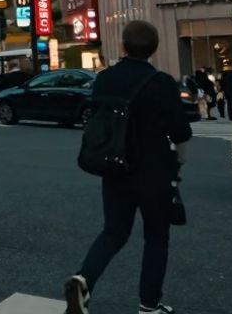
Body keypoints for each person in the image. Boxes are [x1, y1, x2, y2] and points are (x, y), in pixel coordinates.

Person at [65, 20, 191, 314]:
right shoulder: (161, 82)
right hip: (155, 171)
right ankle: (149, 305)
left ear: (123, 46)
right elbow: (181, 133)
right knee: (156, 237)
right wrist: (180, 160)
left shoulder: (105, 78)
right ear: (154, 49)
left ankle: (84, 279)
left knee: (114, 232)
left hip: (115, 166)